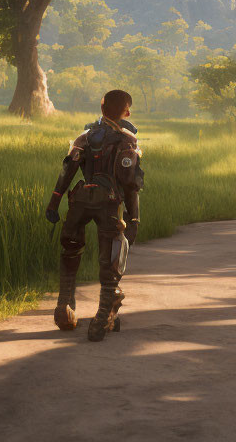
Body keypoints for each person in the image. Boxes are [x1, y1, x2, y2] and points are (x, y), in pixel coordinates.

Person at [45, 89, 144, 342]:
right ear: (124, 112)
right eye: (127, 109)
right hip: (109, 205)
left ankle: (64, 308)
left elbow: (66, 173)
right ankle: (103, 317)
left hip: (79, 203)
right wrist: (134, 219)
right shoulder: (127, 141)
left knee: (70, 251)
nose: (129, 113)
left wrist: (54, 203)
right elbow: (130, 183)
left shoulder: (84, 137)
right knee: (110, 260)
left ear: (102, 109)